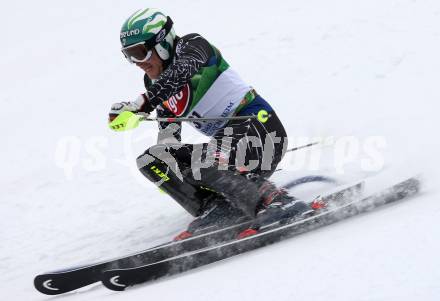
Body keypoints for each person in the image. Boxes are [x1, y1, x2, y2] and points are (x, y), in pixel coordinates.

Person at [109, 8, 313, 240]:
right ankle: (217, 208)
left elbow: (180, 74)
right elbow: (169, 135)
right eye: (129, 55)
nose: (137, 63)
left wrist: (141, 104)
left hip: (260, 129)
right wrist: (173, 174)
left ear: (162, 43)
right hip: (229, 148)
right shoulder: (154, 82)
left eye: (139, 52)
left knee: (207, 158)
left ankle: (278, 201)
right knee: (152, 159)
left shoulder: (192, 45)